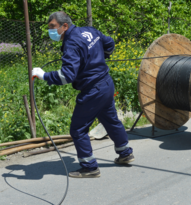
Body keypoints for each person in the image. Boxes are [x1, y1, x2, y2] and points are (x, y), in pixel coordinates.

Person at [32, 11, 134, 178]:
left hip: (93, 90)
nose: (50, 31)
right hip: (106, 84)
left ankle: (89, 167)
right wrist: (102, 57)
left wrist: (44, 75)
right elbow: (109, 43)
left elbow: (67, 76)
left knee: (78, 129)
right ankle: (125, 153)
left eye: (53, 27)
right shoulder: (89, 31)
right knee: (110, 120)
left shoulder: (71, 43)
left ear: (65, 26)